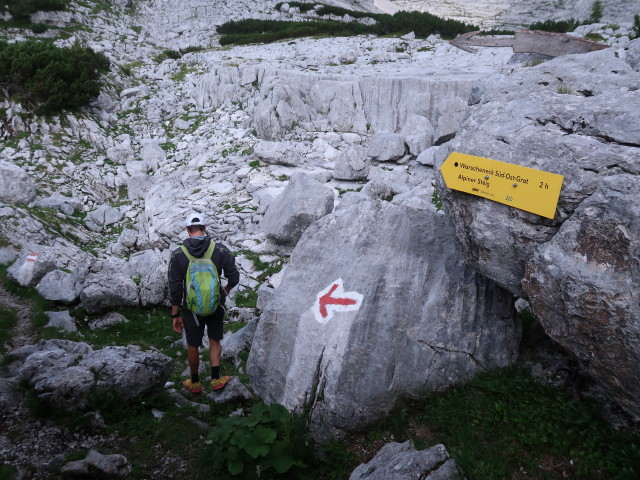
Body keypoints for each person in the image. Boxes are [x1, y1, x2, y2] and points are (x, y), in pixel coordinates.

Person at [168, 213, 240, 393]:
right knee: (215, 339)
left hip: (191, 309)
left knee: (193, 343)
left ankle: (195, 383)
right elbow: (234, 276)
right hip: (216, 305)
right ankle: (216, 379)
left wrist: (175, 314)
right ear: (205, 228)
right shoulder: (219, 249)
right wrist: (224, 292)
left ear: (187, 230)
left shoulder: (178, 255)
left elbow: (175, 288)